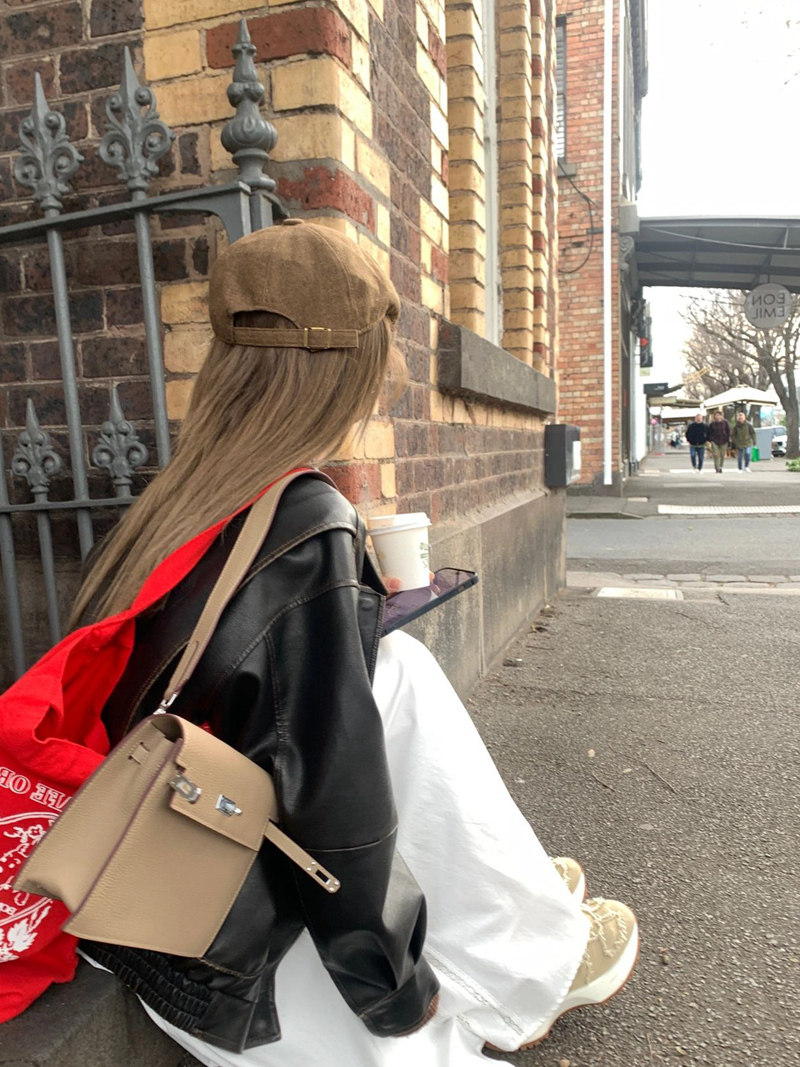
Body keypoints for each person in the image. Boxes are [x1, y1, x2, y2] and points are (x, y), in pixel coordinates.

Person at [66, 221, 638, 1065]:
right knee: (397, 677)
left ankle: (514, 914)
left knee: (385, 670)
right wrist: (396, 991)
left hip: (144, 914)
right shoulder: (304, 521)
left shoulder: (174, 502)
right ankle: (524, 946)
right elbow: (335, 810)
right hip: (244, 972)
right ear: (344, 373)